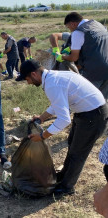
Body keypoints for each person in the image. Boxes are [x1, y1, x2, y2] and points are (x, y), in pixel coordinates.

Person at [18, 59, 108, 195]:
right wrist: (42, 117)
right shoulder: (53, 77)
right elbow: (58, 104)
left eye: (27, 79)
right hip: (86, 112)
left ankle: (67, 187)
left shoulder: (52, 84)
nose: (28, 83)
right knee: (72, 146)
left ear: (33, 74)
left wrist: (43, 136)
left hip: (94, 115)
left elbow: (64, 119)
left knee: (78, 153)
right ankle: (64, 176)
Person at [56, 12, 108, 100]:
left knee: (86, 99)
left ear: (73, 23)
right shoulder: (98, 24)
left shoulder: (78, 32)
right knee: (102, 100)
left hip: (95, 72)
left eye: (69, 27)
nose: (70, 30)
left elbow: (74, 57)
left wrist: (62, 57)